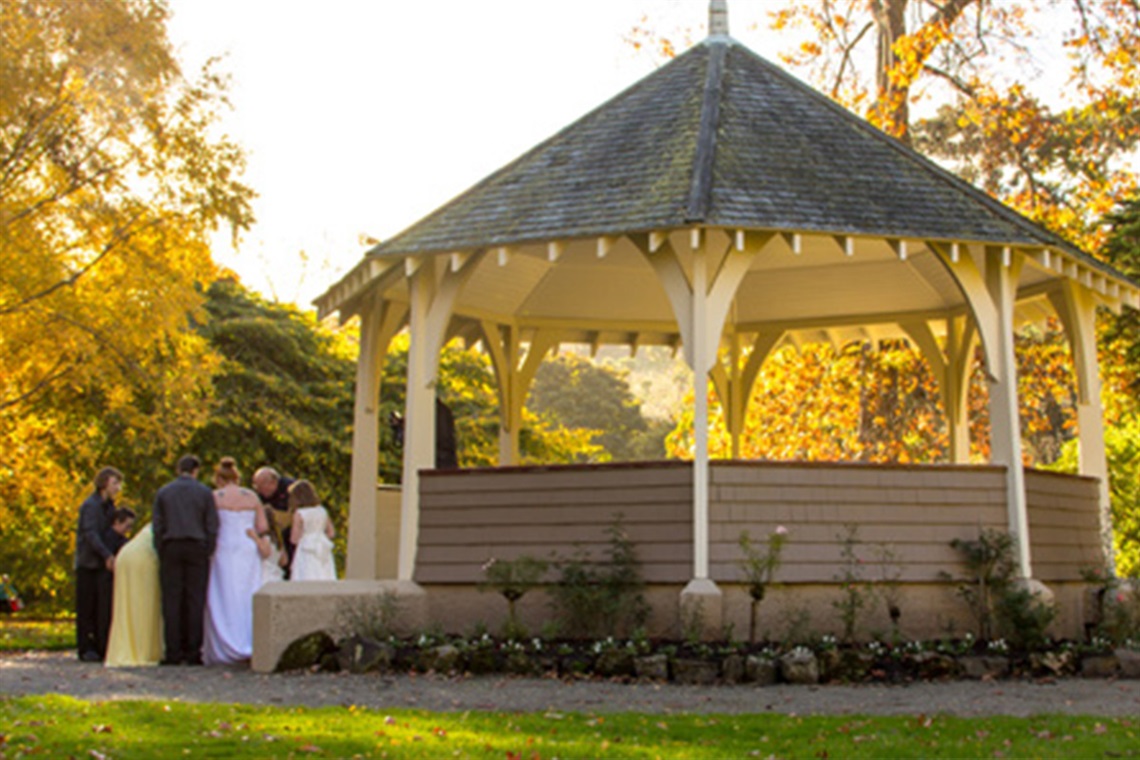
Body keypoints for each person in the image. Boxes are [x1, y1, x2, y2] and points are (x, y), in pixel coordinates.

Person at [152, 455, 217, 666]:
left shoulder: (164, 492)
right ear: (196, 470)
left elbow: (158, 524)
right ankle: (193, 652)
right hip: (196, 546)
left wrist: (161, 547)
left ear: (178, 469)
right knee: (195, 599)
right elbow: (212, 524)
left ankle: (173, 651)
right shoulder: (205, 493)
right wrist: (209, 547)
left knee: (171, 599)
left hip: (172, 545)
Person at [203, 457, 267, 665]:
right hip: (247, 547)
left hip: (224, 547)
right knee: (247, 594)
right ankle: (250, 640)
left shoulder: (215, 497)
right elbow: (263, 527)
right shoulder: (252, 496)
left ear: (219, 479)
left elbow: (210, 525)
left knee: (222, 595)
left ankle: (225, 645)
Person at [74, 466, 123, 662]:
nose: (118, 488)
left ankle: (100, 644)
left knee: (102, 607)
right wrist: (106, 555)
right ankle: (86, 647)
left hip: (101, 564)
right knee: (86, 606)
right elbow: (90, 534)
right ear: (104, 484)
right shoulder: (91, 506)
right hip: (89, 562)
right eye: (115, 483)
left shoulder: (109, 507)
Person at [104, 522, 163, 667]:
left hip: (125, 556)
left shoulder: (154, 523)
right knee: (144, 604)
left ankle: (125, 647)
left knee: (126, 605)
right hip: (143, 559)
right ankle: (144, 648)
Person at [287, 480, 336, 581]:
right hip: (322, 545)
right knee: (324, 574)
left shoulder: (299, 513)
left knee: (306, 574)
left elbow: (294, 539)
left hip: (306, 546)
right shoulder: (322, 511)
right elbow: (331, 533)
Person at [252, 467, 296, 575]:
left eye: (261, 487)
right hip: (273, 536)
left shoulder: (291, 488)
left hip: (292, 535)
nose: (259, 491)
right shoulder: (259, 497)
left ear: (272, 482)